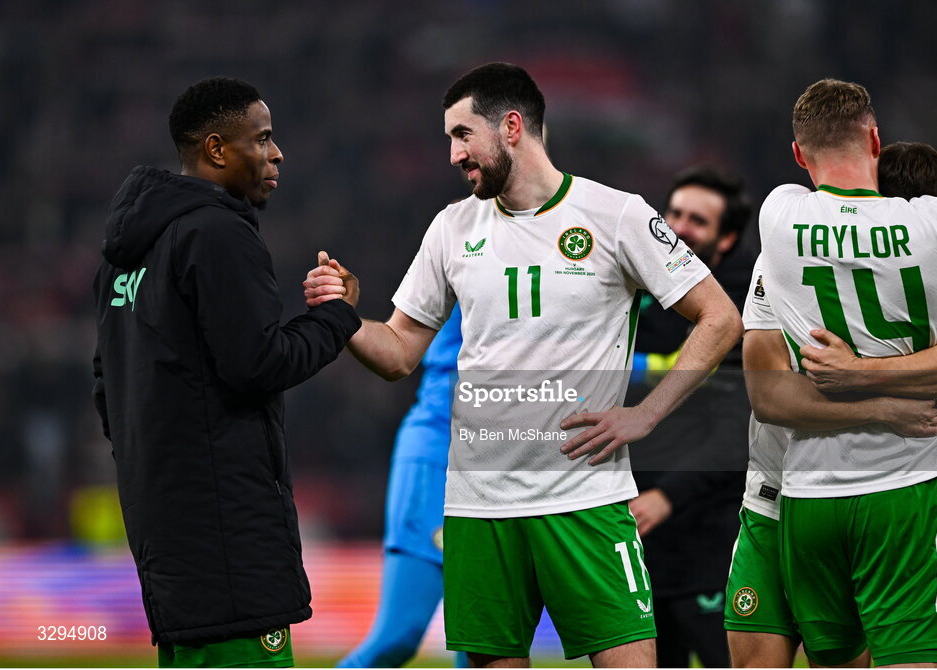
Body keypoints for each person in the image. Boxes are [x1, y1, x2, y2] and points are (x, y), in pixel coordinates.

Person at [305, 62, 744, 667]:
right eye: (448, 139)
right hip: (479, 508)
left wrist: (646, 415)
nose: (454, 155)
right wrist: (347, 317)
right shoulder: (452, 227)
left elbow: (719, 318)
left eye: (462, 135)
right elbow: (400, 352)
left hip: (585, 503)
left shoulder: (615, 215)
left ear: (511, 126)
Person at [92, 77, 361, 668]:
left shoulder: (123, 256)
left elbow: (107, 392)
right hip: (229, 544)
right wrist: (337, 317)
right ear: (217, 150)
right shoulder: (217, 232)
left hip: (164, 537)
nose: (277, 153)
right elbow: (259, 363)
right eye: (262, 139)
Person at [744, 79, 937, 667]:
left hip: (809, 489)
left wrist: (850, 370)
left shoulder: (778, 217)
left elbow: (765, 388)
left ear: (797, 154)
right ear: (875, 137)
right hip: (903, 479)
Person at [626, 166, 754, 668]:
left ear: (726, 239)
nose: (678, 228)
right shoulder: (634, 299)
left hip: (713, 538)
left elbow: (738, 430)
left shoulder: (747, 315)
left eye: (697, 221)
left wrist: (667, 496)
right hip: (640, 536)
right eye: (673, 213)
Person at [338, 304, 466, 668]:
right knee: (398, 637)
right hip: (440, 458)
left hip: (503, 465)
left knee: (483, 645)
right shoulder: (463, 251)